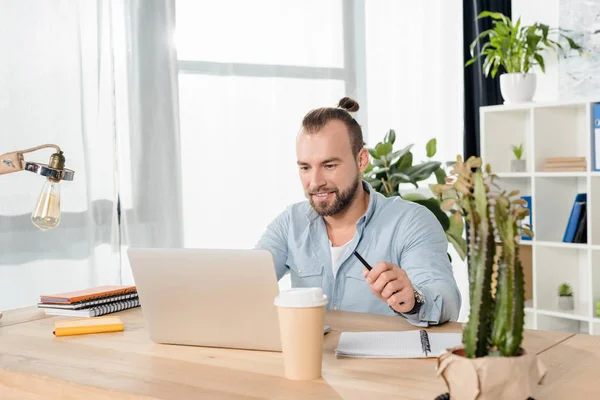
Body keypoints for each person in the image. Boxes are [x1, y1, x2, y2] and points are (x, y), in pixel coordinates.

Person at [255, 97, 461, 326]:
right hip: (314, 357)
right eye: (305, 167)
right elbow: (247, 281)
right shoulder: (290, 223)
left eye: (329, 165)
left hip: (385, 361)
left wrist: (414, 299)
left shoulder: (410, 221)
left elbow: (448, 301)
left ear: (361, 160)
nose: (315, 182)